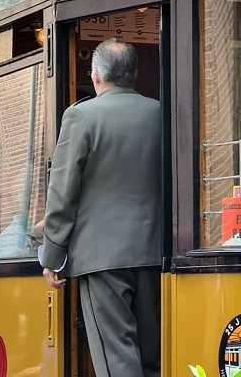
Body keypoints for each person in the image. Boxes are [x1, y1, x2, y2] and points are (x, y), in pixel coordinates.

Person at [40, 38, 162, 377]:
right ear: (134, 75)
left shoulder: (81, 115)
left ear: (95, 76)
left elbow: (62, 191)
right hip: (154, 250)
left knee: (116, 356)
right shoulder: (160, 112)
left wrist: (53, 255)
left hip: (100, 256)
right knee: (151, 354)